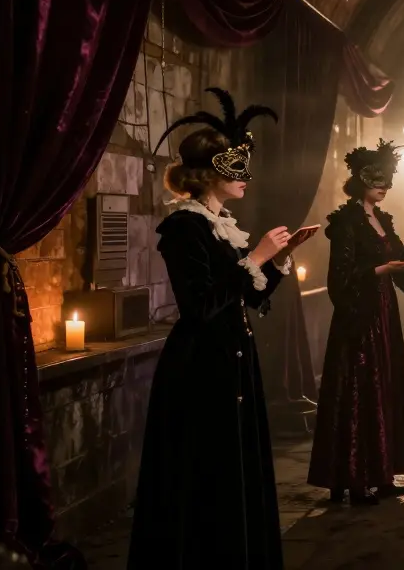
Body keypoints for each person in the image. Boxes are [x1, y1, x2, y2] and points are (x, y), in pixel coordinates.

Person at [130, 88, 316, 569]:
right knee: (205, 469)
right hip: (200, 369)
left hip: (231, 362)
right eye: (236, 168)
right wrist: (253, 257)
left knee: (235, 466)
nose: (247, 179)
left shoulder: (221, 225)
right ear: (210, 173)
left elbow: (248, 297)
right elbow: (198, 307)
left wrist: (278, 258)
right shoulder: (184, 229)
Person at [307, 141, 404, 503]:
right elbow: (340, 280)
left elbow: (401, 260)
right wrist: (381, 269)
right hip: (359, 319)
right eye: (376, 179)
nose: (384, 186)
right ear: (358, 180)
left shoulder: (381, 218)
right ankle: (354, 481)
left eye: (388, 180)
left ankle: (382, 475)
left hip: (384, 315)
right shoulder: (345, 222)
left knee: (382, 388)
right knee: (359, 392)